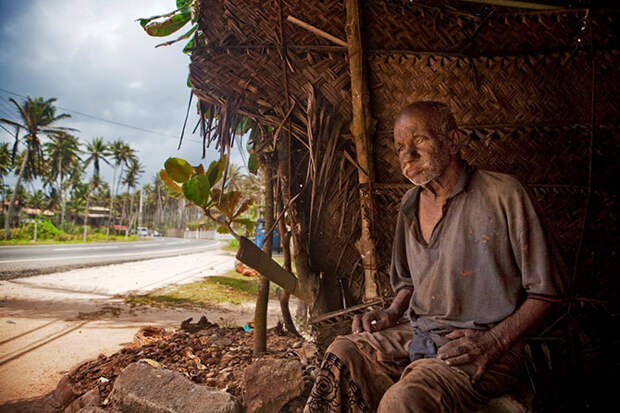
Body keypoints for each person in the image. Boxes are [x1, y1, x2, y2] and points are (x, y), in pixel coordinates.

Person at [304, 101, 566, 412]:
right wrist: (392, 312)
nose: (407, 154)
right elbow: (409, 283)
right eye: (400, 146)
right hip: (420, 334)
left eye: (419, 140)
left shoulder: (503, 195)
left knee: (403, 400)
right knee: (342, 353)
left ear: (452, 141)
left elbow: (549, 293)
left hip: (481, 346)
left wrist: (494, 343)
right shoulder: (409, 205)